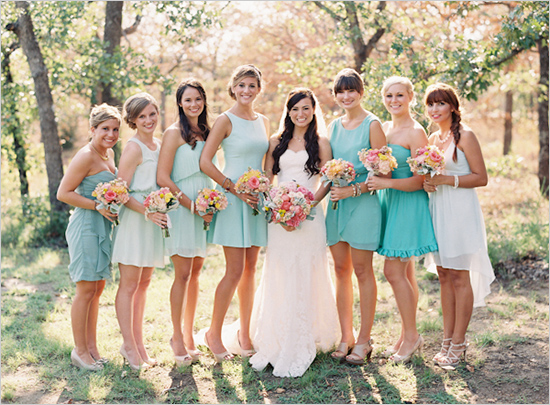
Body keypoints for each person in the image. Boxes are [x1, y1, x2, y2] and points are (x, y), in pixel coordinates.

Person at [248, 88, 340, 377]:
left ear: (314, 111)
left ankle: (307, 334)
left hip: (311, 216)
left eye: (306, 109)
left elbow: (326, 180)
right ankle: (276, 336)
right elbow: (267, 179)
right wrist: (278, 209)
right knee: (281, 270)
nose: (300, 114)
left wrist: (306, 205)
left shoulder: (321, 143)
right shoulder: (276, 141)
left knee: (308, 270)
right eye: (295, 109)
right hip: (278, 216)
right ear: (288, 112)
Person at [199, 64, 269, 362]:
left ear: (258, 89)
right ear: (233, 87)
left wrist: (264, 185)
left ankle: (245, 333)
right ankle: (213, 334)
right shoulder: (224, 120)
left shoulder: (264, 120)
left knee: (250, 270)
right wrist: (233, 188)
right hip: (233, 200)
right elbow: (206, 161)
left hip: (257, 201)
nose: (246, 91)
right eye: (241, 85)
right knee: (234, 270)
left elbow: (266, 162)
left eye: (251, 85)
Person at [422, 82, 495, 369]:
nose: (435, 109)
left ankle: (460, 343)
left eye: (440, 103)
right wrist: (429, 184)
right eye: (430, 104)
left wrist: (446, 180)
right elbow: (432, 176)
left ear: (452, 106)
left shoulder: (465, 135)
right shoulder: (431, 138)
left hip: (461, 211)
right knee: (443, 274)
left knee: (459, 276)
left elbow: (481, 177)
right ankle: (447, 339)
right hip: (438, 209)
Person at [366, 76, 438, 363]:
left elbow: (421, 181)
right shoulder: (385, 128)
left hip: (408, 203)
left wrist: (387, 184)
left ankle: (412, 337)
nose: (394, 101)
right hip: (391, 203)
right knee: (406, 273)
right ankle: (407, 335)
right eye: (388, 96)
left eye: (399, 95)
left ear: (410, 96)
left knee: (392, 272)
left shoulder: (415, 132)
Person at [325, 68, 387, 366]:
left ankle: (364, 340)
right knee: (340, 270)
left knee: (362, 271)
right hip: (336, 205)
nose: (346, 96)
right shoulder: (334, 126)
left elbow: (383, 170)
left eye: (351, 90)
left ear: (361, 92)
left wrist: (355, 190)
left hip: (363, 203)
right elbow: (326, 169)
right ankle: (346, 335)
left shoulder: (372, 124)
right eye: (341, 91)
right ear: (335, 95)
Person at [57, 104, 121, 371]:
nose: (111, 133)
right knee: (85, 289)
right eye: (105, 128)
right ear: (92, 129)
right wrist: (97, 206)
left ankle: (93, 349)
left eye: (115, 129)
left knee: (97, 289)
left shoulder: (109, 153)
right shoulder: (85, 156)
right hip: (85, 226)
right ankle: (79, 351)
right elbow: (63, 193)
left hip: (102, 228)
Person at [157, 79, 214, 366]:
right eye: (188, 100)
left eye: (198, 99)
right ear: (180, 103)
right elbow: (163, 178)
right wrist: (191, 205)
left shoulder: (208, 131)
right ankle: (176, 337)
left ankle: (191, 336)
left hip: (204, 207)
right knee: (182, 273)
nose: (194, 104)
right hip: (182, 208)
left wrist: (210, 203)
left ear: (204, 101)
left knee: (196, 272)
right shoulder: (172, 133)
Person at [111, 92, 167, 370]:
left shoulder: (159, 144)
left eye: (152, 114)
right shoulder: (133, 148)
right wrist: (148, 211)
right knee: (129, 285)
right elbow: (120, 192)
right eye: (142, 116)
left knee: (144, 285)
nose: (148, 120)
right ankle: (129, 347)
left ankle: (138, 343)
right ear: (132, 120)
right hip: (136, 221)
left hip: (153, 220)